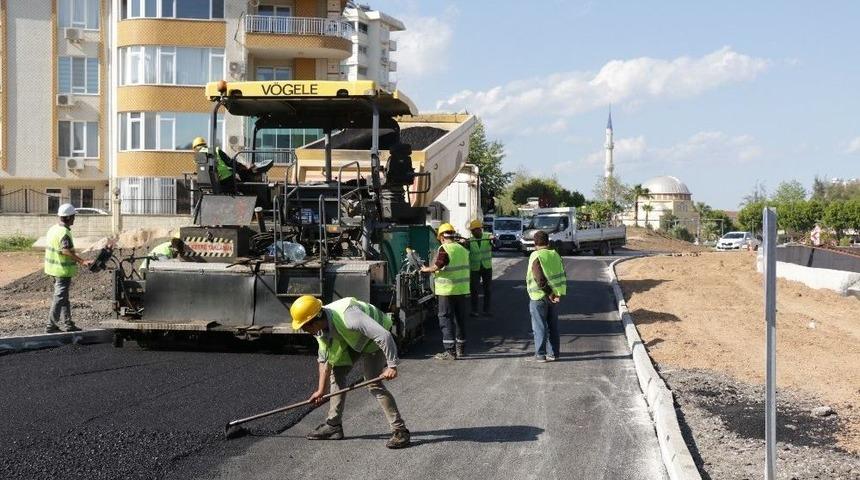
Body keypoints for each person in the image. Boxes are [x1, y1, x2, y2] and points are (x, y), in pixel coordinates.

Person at [290, 295, 411, 449]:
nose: (304, 330)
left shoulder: (349, 317)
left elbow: (384, 336)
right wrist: (320, 390)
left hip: (376, 339)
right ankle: (333, 426)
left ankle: (400, 431)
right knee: (337, 374)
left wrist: (392, 366)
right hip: (354, 339)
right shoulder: (320, 331)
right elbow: (324, 361)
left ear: (316, 319)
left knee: (374, 384)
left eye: (305, 326)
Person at [420, 223, 470, 360]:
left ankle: (450, 351)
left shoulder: (444, 249)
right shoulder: (462, 249)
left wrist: (426, 269)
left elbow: (439, 265)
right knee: (460, 319)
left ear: (442, 237)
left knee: (446, 319)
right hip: (461, 290)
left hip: (447, 291)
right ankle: (460, 349)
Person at [44, 203, 92, 333]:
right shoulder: (64, 232)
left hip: (52, 269)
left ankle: (68, 324)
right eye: (73, 216)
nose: (74, 219)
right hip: (61, 271)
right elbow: (65, 251)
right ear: (69, 217)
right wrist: (82, 261)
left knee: (64, 298)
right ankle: (51, 325)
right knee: (60, 297)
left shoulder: (53, 229)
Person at [526, 230, 567, 362]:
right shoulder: (555, 255)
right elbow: (562, 274)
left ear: (534, 243)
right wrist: (554, 293)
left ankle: (541, 354)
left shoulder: (535, 255)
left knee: (539, 326)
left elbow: (539, 279)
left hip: (539, 297)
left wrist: (548, 293)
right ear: (548, 242)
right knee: (553, 326)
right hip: (555, 296)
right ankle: (554, 353)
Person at [466, 219, 493, 317]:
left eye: (474, 230)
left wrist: (493, 239)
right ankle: (474, 310)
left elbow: (495, 242)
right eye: (472, 231)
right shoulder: (470, 240)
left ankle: (486, 310)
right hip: (474, 268)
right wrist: (464, 243)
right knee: (474, 290)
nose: (472, 232)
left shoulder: (487, 237)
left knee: (487, 289)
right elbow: (464, 248)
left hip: (486, 267)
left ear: (479, 229)